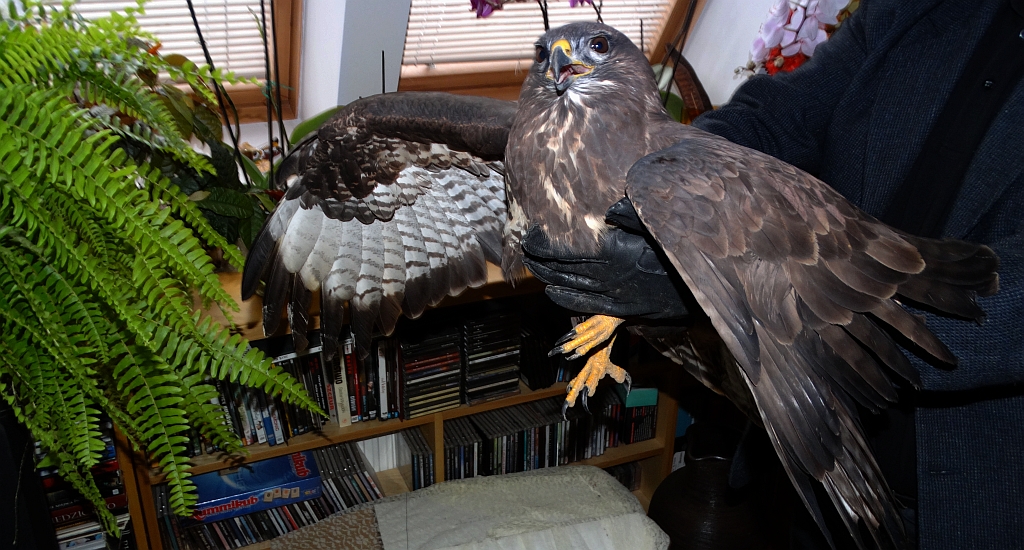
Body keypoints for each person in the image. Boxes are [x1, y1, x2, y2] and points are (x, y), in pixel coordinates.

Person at [522, 0, 1024, 548]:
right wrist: (662, 173)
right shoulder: (912, 9)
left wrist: (750, 284)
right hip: (796, 446)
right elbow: (781, 117)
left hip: (978, 485)